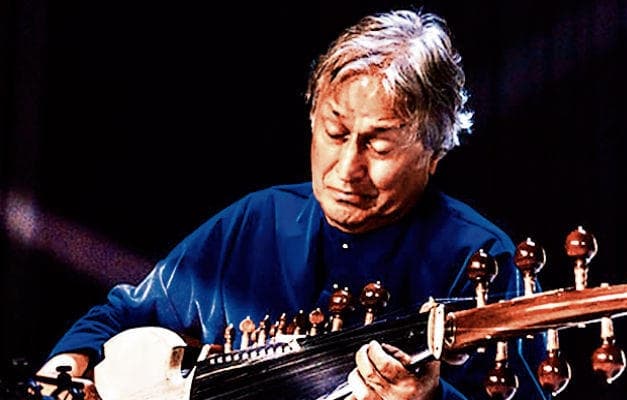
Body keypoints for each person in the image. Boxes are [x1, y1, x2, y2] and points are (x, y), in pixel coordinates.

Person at [37, 9, 547, 400]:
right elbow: (120, 315)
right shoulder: (256, 221)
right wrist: (63, 371)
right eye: (335, 132)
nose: (347, 167)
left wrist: (432, 398)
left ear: (434, 154)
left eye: (379, 145)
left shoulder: (479, 259)